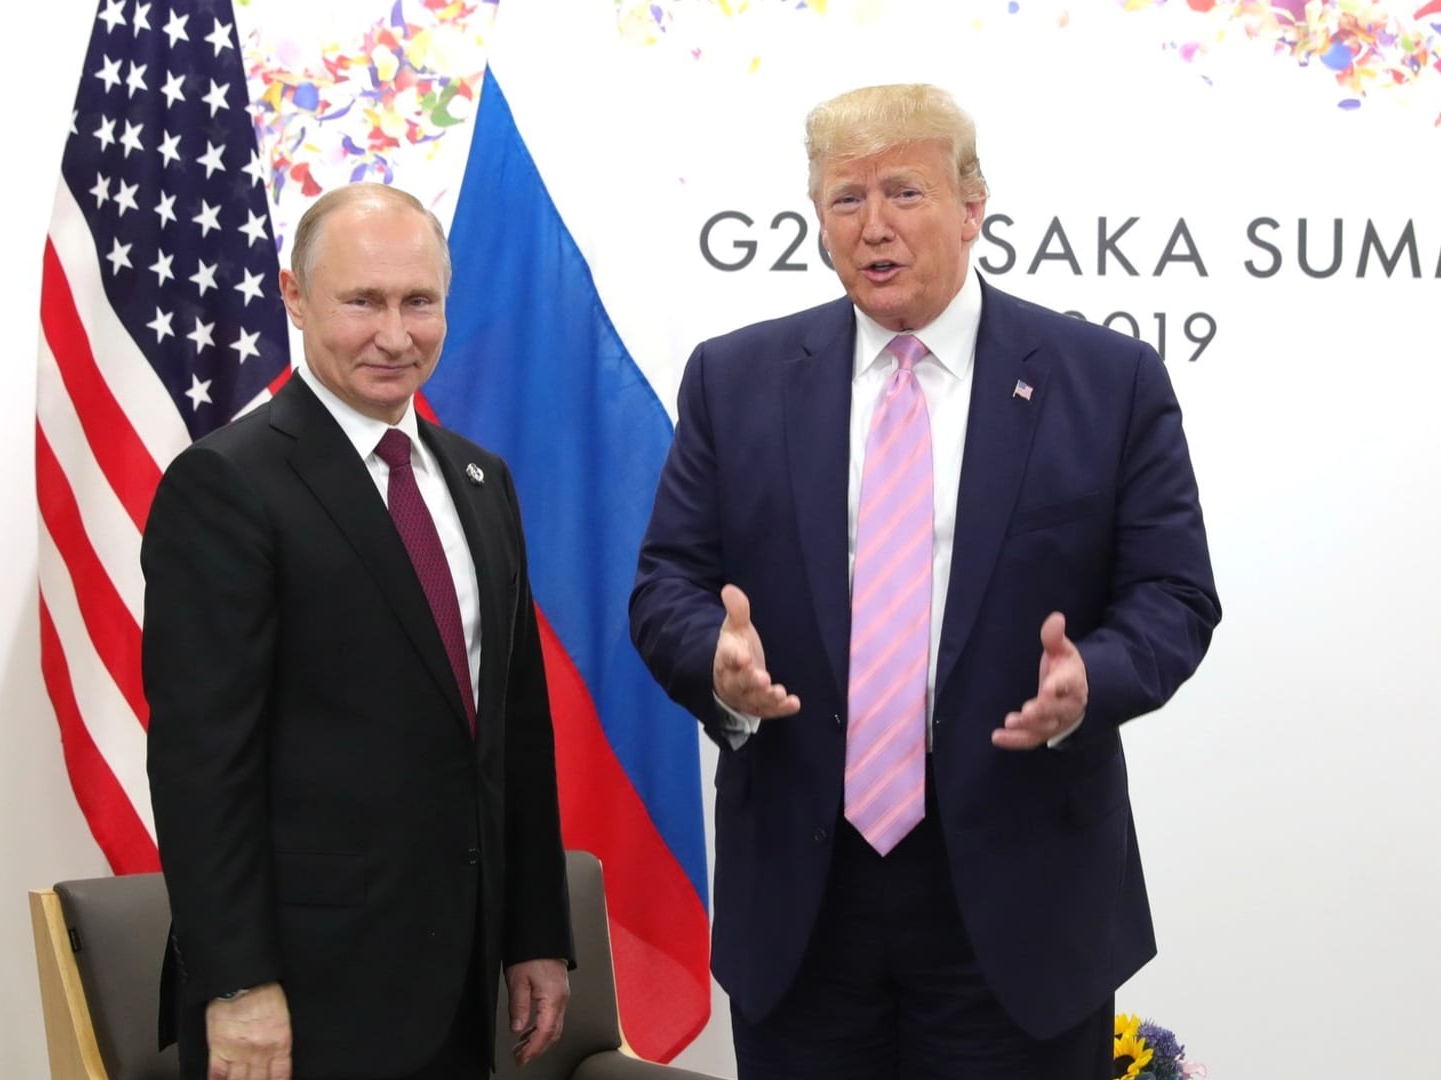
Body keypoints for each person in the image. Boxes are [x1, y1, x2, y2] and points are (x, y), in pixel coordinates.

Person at [629, 83, 1220, 1079]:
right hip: (805, 900)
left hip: (1022, 894)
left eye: (903, 191)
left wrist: (1093, 681)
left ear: (972, 203)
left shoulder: (1104, 380)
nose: (873, 226)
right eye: (844, 200)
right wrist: (714, 666)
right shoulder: (737, 380)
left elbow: (1174, 595)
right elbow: (668, 586)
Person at [143, 182, 573, 1080]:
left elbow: (513, 729)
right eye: (362, 302)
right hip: (302, 997)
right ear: (295, 298)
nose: (395, 334)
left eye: (419, 302)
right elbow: (201, 766)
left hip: (460, 980)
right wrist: (236, 986)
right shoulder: (226, 485)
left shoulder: (480, 481)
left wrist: (534, 931)